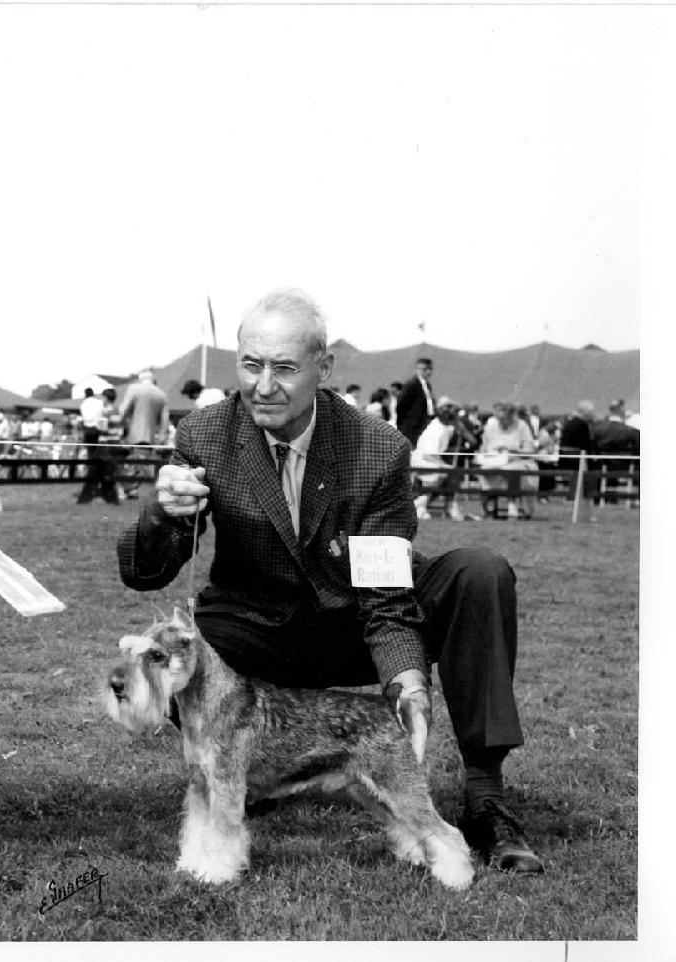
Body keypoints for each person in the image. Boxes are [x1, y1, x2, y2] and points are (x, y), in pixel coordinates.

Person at [117, 287, 543, 876]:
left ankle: (486, 793)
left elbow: (385, 594)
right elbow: (146, 573)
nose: (263, 385)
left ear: (324, 368)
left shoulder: (377, 447)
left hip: (353, 621)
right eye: (250, 364)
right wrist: (163, 514)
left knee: (479, 572)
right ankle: (244, 773)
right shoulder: (205, 434)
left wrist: (405, 681)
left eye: (285, 368)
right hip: (255, 629)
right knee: (185, 648)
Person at [410, 397, 469, 522]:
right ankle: (422, 506)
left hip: (430, 460)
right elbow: (429, 454)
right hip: (422, 461)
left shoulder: (446, 426)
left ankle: (421, 506)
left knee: (448, 475)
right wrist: (444, 466)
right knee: (448, 473)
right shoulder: (436, 429)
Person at [478, 403, 538, 520]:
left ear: (511, 416)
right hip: (494, 462)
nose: (501, 422)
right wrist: (487, 453)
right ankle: (489, 505)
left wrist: (513, 450)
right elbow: (483, 447)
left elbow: (530, 450)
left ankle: (512, 504)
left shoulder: (522, 426)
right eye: (498, 419)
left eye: (504, 419)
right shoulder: (491, 426)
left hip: (519, 461)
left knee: (511, 470)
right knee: (484, 470)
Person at [119, 369, 169, 499]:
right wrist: (162, 438)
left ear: (140, 379)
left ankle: (129, 489)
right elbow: (165, 421)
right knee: (141, 464)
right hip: (150, 437)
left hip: (134, 435)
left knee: (134, 464)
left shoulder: (134, 389)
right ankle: (132, 490)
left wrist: (123, 427)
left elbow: (123, 411)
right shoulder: (161, 394)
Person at [76, 387, 116, 504]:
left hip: (89, 431)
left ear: (85, 394)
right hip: (98, 430)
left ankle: (92, 487)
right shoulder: (99, 403)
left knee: (91, 458)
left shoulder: (83, 404)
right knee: (98, 459)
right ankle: (96, 487)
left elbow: (84, 419)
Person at [395, 358, 435, 447]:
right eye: (425, 369)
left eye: (430, 369)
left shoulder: (427, 385)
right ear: (417, 369)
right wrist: (405, 423)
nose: (428, 372)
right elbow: (401, 405)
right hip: (412, 425)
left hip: (424, 423)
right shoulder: (411, 384)